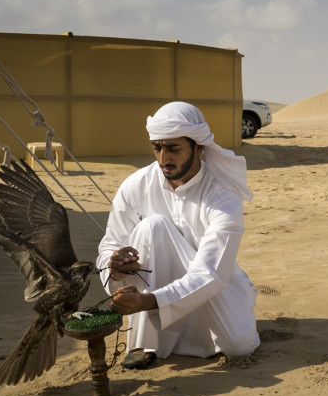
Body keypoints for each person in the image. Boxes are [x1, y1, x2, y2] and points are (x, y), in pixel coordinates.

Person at [96, 101, 260, 369]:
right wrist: (114, 268)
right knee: (153, 226)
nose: (163, 159)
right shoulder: (135, 186)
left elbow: (210, 272)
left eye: (173, 148)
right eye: (157, 147)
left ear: (198, 147)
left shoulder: (222, 194)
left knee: (239, 347)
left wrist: (145, 302)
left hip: (210, 284)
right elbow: (110, 244)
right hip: (150, 290)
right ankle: (143, 342)